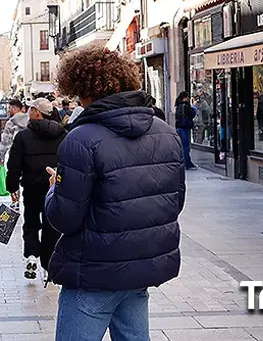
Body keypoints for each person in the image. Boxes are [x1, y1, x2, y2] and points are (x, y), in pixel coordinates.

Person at [45, 43, 185, 340]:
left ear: (83, 90)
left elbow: (64, 218)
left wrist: (52, 190)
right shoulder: (166, 133)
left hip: (93, 272)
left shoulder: (81, 139)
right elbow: (174, 202)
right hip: (141, 268)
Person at [7, 97, 65, 284]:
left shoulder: (23, 136)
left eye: (31, 108)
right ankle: (48, 266)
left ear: (37, 112)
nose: (28, 111)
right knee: (51, 227)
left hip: (31, 187)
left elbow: (14, 165)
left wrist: (12, 187)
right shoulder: (62, 133)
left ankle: (32, 255)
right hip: (54, 187)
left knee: (31, 223)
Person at [0, 99, 29, 166]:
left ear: (14, 108)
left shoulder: (10, 123)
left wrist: (2, 158)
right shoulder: (29, 120)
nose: (8, 110)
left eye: (9, 108)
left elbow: (5, 142)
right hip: (29, 154)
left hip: (15, 154)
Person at [174, 91, 197, 170]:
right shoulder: (186, 106)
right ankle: (187, 163)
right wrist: (194, 108)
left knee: (181, 146)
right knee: (186, 146)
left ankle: (182, 162)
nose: (189, 98)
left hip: (178, 127)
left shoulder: (178, 106)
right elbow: (192, 114)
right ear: (185, 97)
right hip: (184, 127)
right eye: (188, 97)